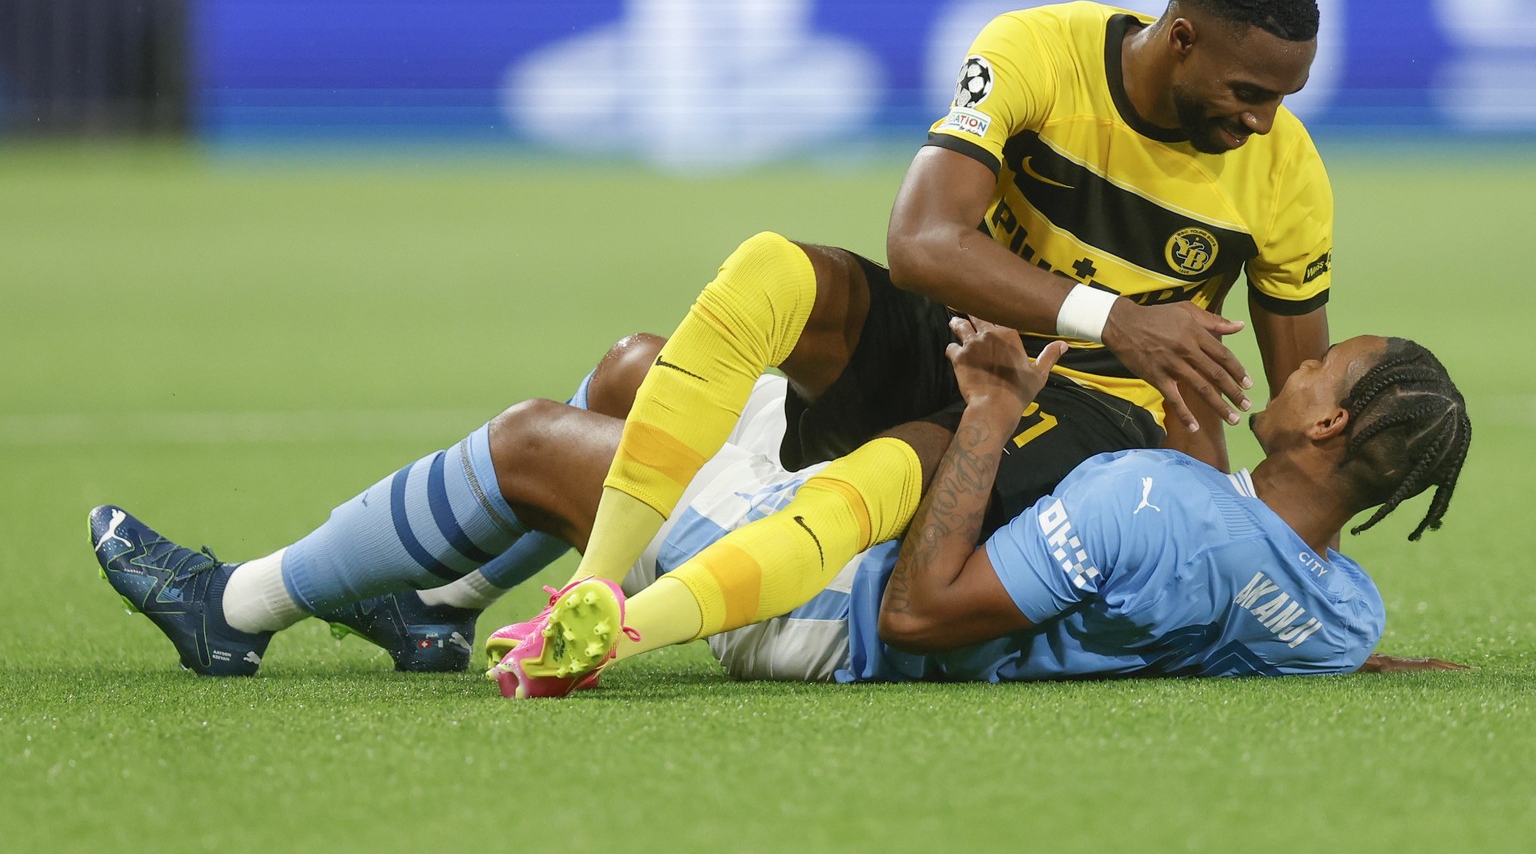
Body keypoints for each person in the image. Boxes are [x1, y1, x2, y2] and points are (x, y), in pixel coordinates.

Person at [497, 0, 1337, 675]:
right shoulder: (1041, 49)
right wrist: (1115, 314)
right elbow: (922, 244)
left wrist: (1306, 610)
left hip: (1093, 409)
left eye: (1283, 98)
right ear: (1181, 39)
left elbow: (1307, 425)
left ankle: (618, 631)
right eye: (1250, 93)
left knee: (901, 459)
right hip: (960, 330)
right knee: (769, 269)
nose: (1265, 122)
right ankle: (586, 589)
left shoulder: (1287, 175)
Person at [484, 319, 1471, 696]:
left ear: (1330, 423)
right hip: (858, 548)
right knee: (636, 368)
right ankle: (491, 595)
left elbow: (917, 613)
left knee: (534, 438)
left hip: (827, 602)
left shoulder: (1152, 496)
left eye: (1319, 369)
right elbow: (1264, 600)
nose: (1298, 363)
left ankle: (447, 594)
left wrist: (991, 416)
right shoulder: (1344, 617)